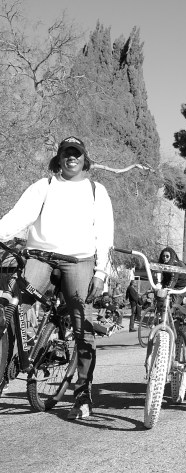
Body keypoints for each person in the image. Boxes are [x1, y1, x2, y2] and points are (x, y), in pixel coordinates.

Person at [0, 136, 114, 420]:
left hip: (79, 260)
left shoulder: (96, 191)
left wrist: (101, 272)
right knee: (12, 307)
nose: (71, 158)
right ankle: (6, 369)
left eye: (76, 153)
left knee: (81, 325)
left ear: (84, 159)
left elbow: (105, 234)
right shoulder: (45, 185)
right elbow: (19, 216)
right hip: (40, 256)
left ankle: (83, 392)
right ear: (59, 158)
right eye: (66, 153)